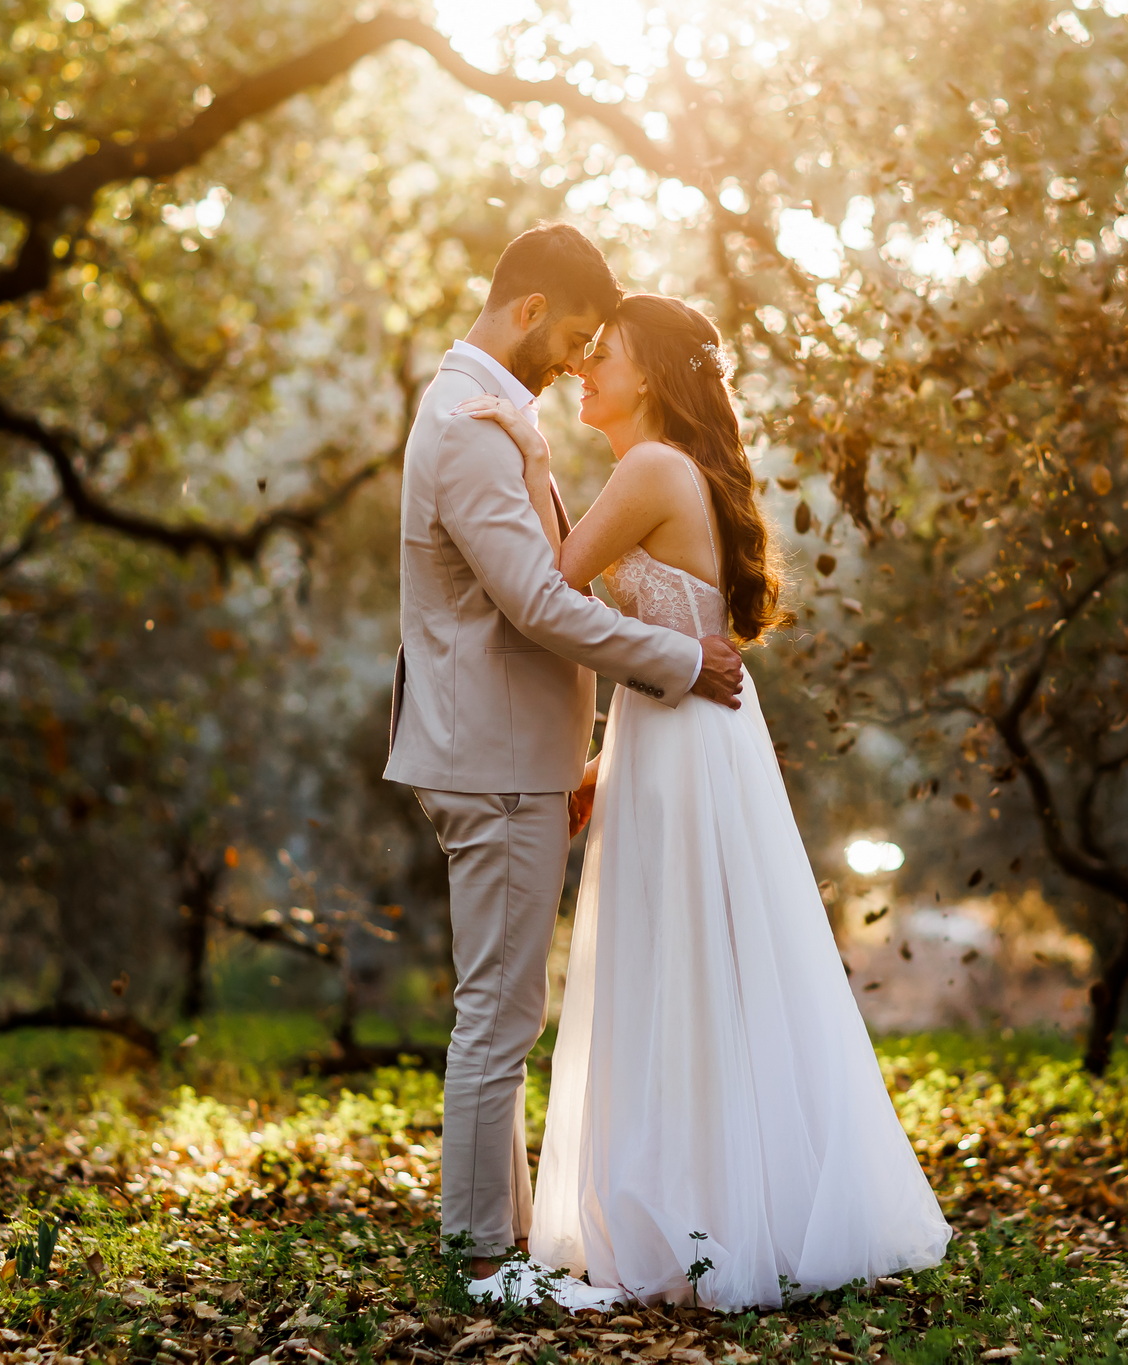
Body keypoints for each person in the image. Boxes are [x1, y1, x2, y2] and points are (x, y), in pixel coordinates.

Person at [456, 293, 953, 1310]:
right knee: (695, 961)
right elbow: (649, 630)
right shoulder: (665, 471)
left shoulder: (646, 470)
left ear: (653, 377)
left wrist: (523, 448)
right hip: (676, 733)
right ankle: (720, 1201)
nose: (586, 369)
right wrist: (600, 764)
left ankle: (691, 1214)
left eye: (606, 356)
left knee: (671, 959)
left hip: (682, 739)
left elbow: (548, 583)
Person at [384, 224, 746, 1310]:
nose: (579, 359)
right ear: (530, 309)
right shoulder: (466, 427)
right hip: (488, 754)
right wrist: (680, 659)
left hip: (513, 751)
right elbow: (537, 602)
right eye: (578, 335)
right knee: (496, 1013)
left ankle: (497, 1246)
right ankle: (479, 1258)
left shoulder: (492, 416)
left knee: (503, 1009)